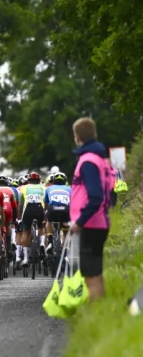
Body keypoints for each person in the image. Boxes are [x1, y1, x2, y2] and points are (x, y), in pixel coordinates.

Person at [69, 117, 114, 301]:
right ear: (94, 134)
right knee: (96, 273)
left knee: (90, 276)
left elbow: (95, 196)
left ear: (77, 137)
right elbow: (110, 190)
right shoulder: (101, 160)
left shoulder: (87, 161)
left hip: (91, 223)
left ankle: (95, 313)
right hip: (101, 221)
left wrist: (80, 221)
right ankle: (102, 314)